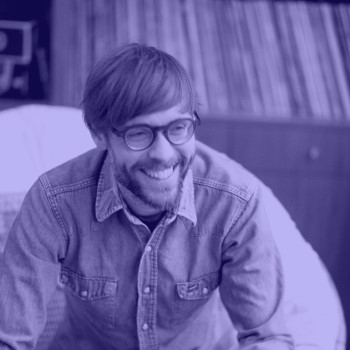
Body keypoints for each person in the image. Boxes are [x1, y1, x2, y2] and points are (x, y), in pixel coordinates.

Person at [0, 42, 328, 349]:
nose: (163, 153)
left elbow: (266, 337)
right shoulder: (53, 202)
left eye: (178, 128)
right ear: (101, 136)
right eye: (139, 133)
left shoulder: (236, 202)